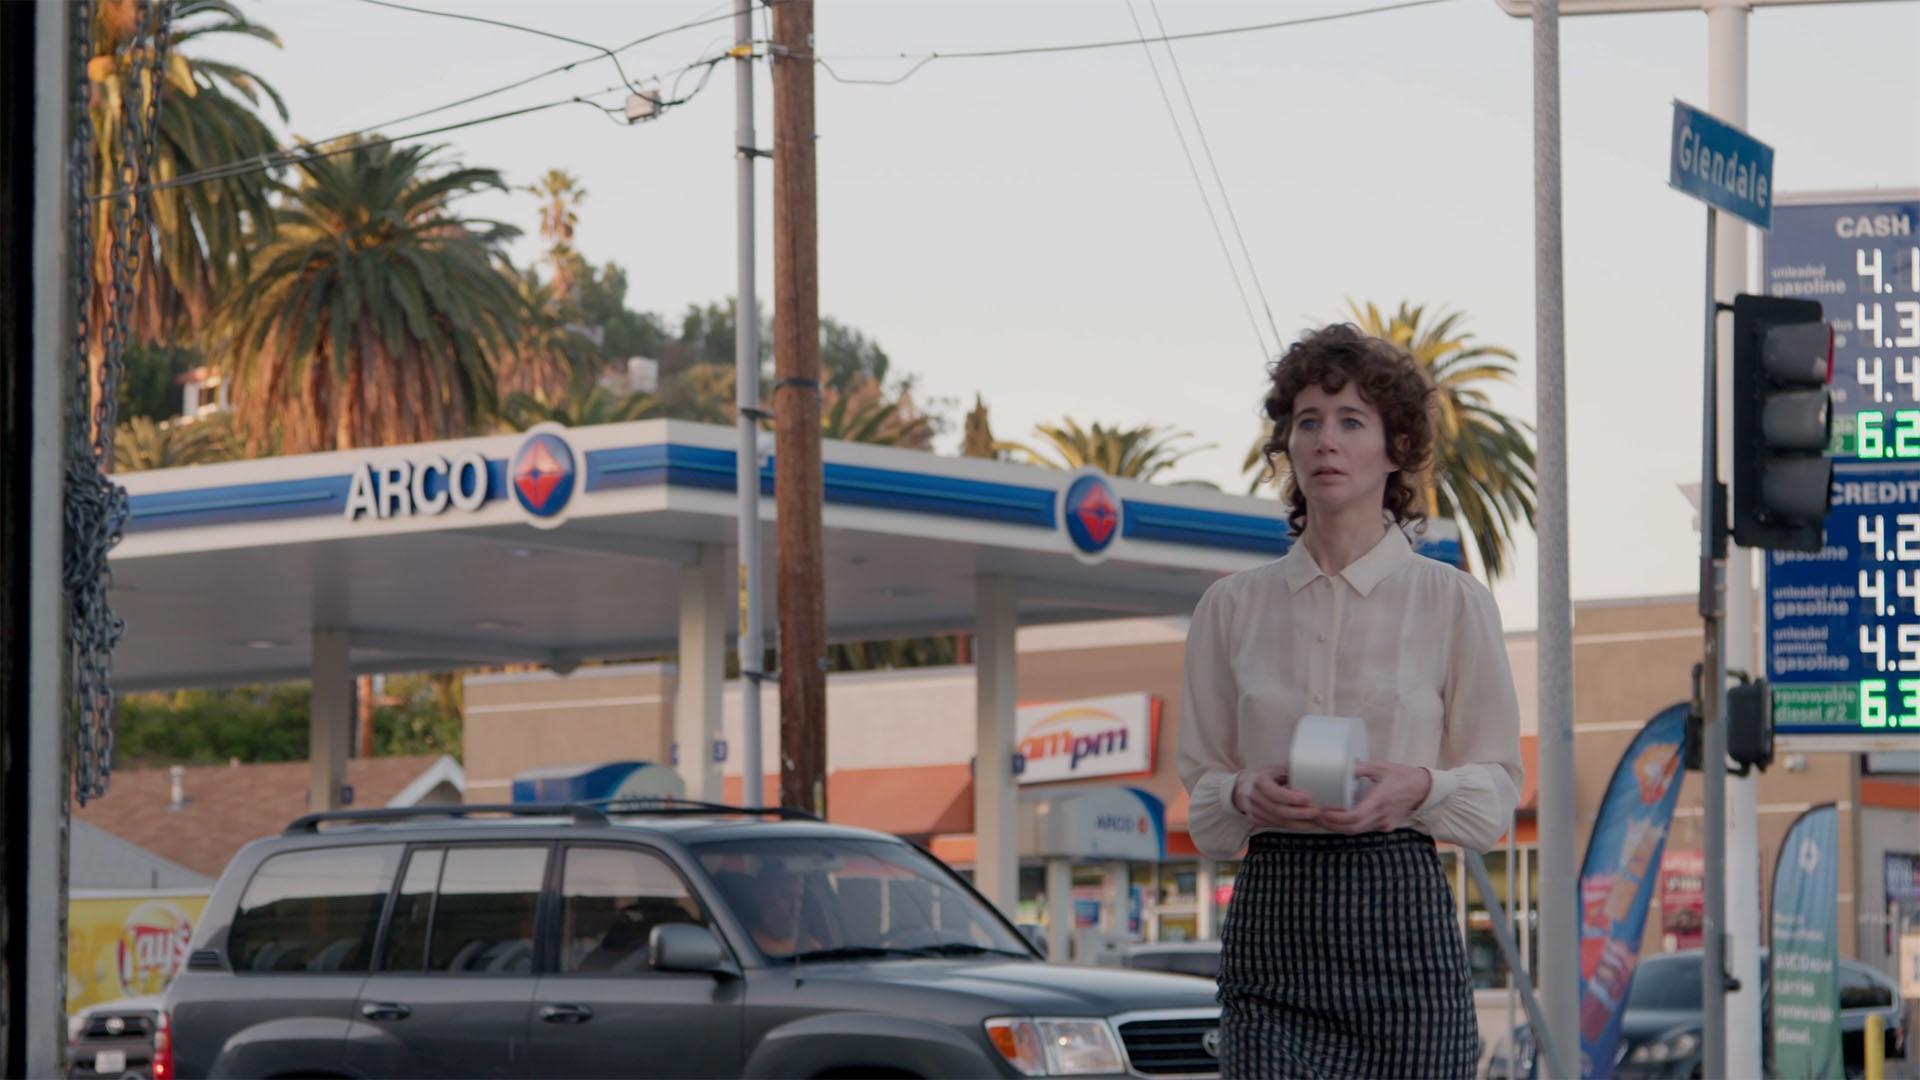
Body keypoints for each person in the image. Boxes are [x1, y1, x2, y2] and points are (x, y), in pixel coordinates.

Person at [1176, 324, 1523, 1079]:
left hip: (1405, 934)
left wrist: (1420, 785)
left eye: (1350, 420)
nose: (1325, 440)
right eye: (1307, 421)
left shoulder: (1453, 604)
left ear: (1396, 448)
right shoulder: (1230, 608)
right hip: (1272, 940)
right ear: (1287, 449)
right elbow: (1202, 797)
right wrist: (1242, 790)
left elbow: (1496, 795)